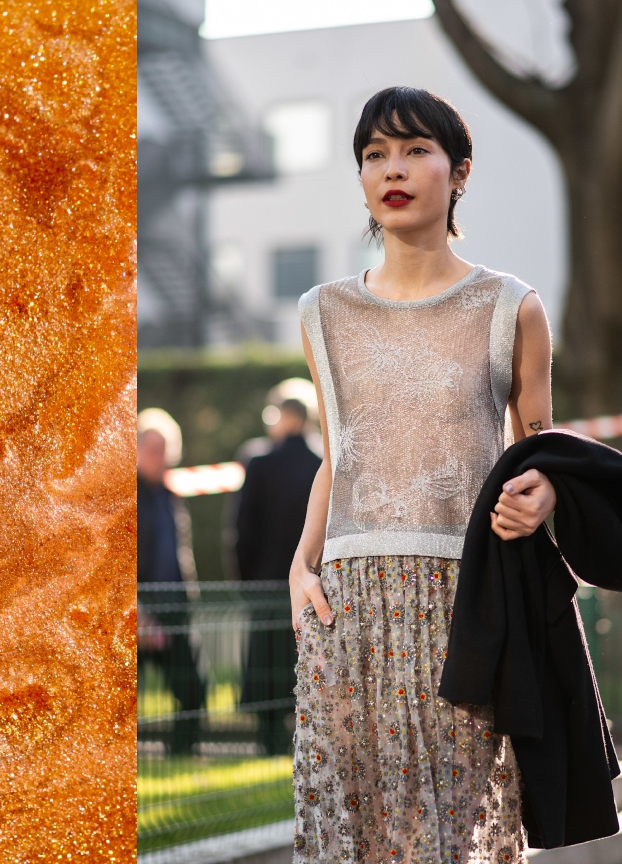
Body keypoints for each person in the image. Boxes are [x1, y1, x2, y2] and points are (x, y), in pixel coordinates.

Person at [289, 86, 559, 863]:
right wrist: (301, 568)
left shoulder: (512, 307)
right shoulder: (322, 312)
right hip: (346, 606)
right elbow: (340, 453)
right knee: (353, 829)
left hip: (465, 600)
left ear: (459, 171)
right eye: (374, 154)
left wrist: (541, 494)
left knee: (450, 835)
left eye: (414, 150)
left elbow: (537, 449)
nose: (391, 168)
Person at [235, 397, 322, 756]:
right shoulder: (319, 466)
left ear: (284, 418)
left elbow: (243, 529)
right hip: (310, 583)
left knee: (266, 662)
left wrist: (245, 581)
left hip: (266, 583)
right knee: (300, 657)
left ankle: (267, 740)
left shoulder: (260, 464)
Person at [137, 408, 207, 756]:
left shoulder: (169, 493)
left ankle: (179, 755)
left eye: (164, 450)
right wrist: (137, 614)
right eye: (151, 450)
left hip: (174, 608)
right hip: (137, 612)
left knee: (193, 689)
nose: (159, 458)